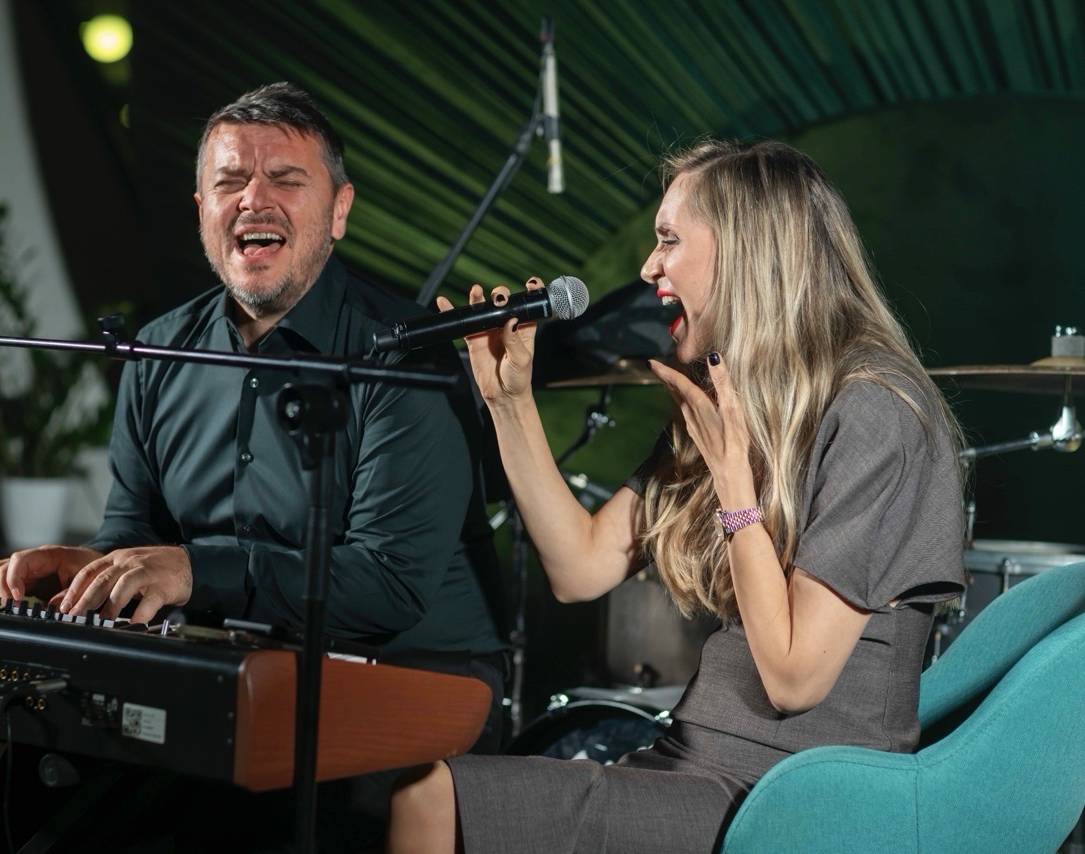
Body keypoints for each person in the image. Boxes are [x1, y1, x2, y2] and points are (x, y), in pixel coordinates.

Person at [388, 138, 968, 853]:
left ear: (747, 251)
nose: (648, 268)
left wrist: (734, 485)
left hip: (795, 794)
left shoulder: (877, 411)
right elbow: (579, 567)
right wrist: (510, 404)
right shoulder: (736, 401)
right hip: (696, 758)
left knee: (434, 799)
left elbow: (794, 678)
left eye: (669, 240)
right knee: (431, 793)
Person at [0, 82, 508, 851]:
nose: (254, 199)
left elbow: (388, 587)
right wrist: (90, 568)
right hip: (238, 671)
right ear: (202, 209)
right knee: (44, 793)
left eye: (286, 179)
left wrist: (196, 570)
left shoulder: (404, 355)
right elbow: (135, 534)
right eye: (231, 181)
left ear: (339, 211)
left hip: (414, 679)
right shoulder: (159, 354)